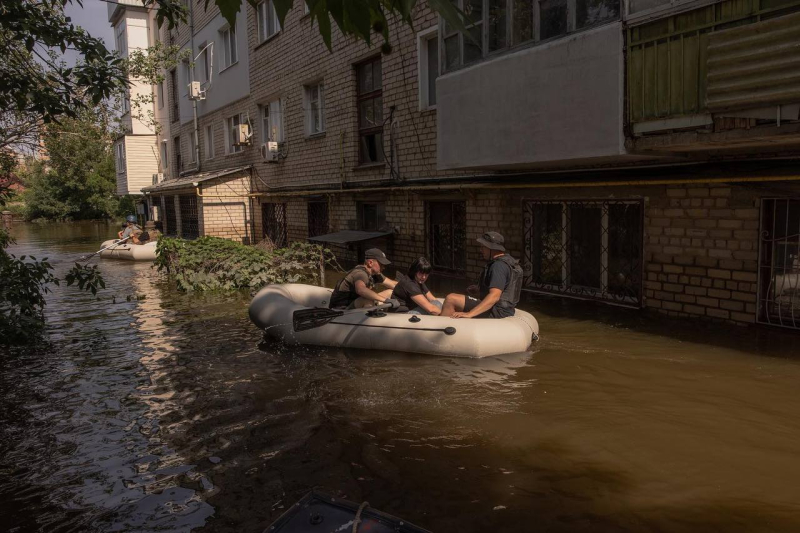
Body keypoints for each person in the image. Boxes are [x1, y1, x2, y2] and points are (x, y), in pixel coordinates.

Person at [440, 231, 523, 319]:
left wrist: (470, 313)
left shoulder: (498, 266)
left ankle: (443, 327)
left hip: (497, 311)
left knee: (451, 299)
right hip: (505, 310)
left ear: (491, 248)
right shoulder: (508, 262)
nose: (481, 250)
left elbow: (494, 296)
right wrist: (479, 289)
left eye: (483, 247)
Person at [329, 248, 399, 310]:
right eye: (381, 264)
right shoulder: (360, 274)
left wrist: (407, 286)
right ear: (370, 263)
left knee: (391, 292)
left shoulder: (375, 274)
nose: (384, 267)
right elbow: (361, 290)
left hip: (355, 305)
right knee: (367, 300)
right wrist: (385, 300)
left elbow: (392, 284)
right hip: (342, 310)